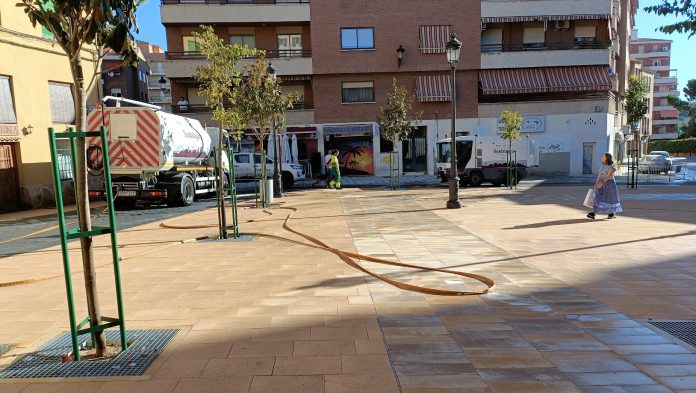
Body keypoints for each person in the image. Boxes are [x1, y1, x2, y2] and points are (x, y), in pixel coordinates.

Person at [587, 152, 622, 219]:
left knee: (609, 199)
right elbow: (599, 175)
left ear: (607, 158)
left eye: (603, 156)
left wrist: (602, 183)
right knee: (597, 197)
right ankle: (593, 212)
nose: (602, 157)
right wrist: (596, 183)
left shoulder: (612, 166)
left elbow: (608, 176)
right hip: (600, 183)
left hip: (609, 184)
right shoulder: (602, 165)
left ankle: (611, 213)